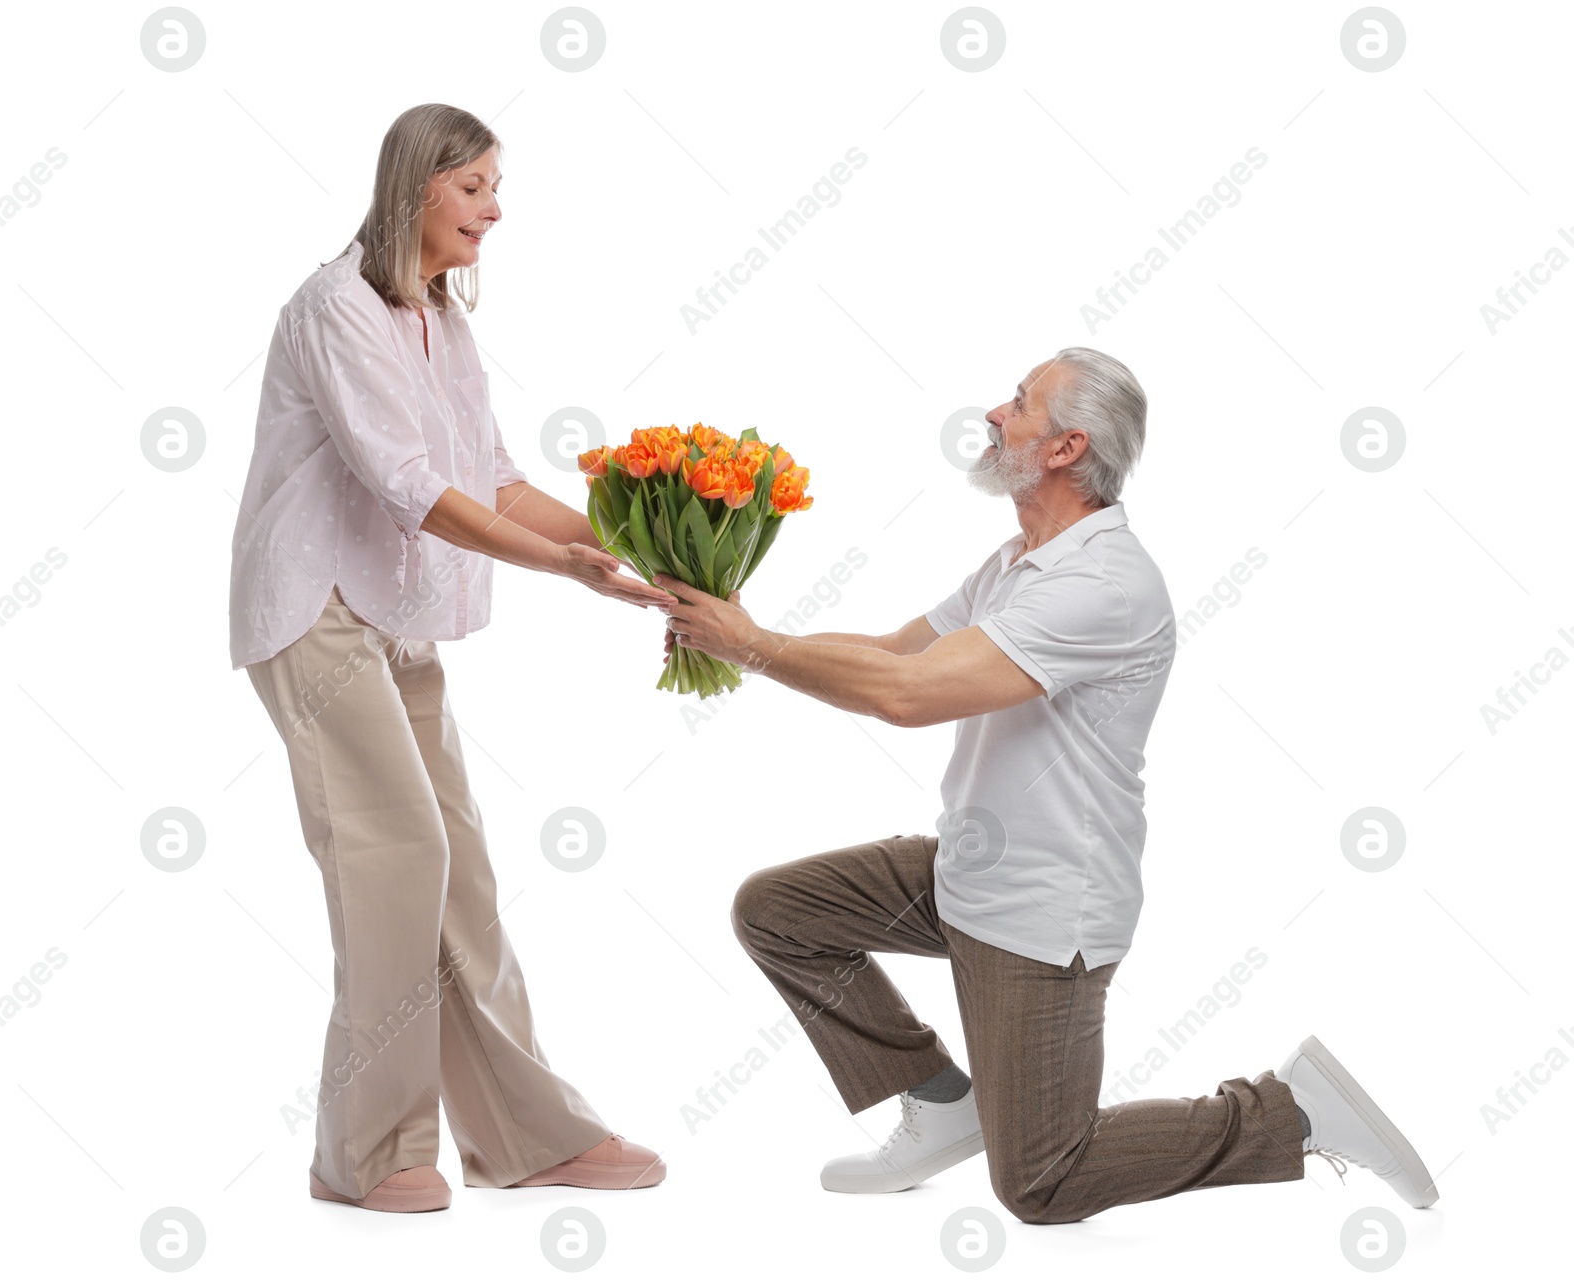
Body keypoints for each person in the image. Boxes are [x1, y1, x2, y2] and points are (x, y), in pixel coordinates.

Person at [657, 347, 1440, 1222]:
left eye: (1021, 403)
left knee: (1043, 1181)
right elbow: (893, 653)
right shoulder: (1017, 562)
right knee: (780, 911)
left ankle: (1289, 1114)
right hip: (970, 870)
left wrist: (752, 647)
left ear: (1068, 448)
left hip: (1043, 910)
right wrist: (742, 632)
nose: (996, 412)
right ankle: (941, 1101)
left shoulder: (1102, 583)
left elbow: (904, 697)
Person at [229, 103, 676, 1213]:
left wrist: (637, 543)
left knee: (457, 867)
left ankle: (528, 1133)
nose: (494, 207)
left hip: (394, 612)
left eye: (493, 185)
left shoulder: (441, 321)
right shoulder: (336, 307)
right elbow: (409, 486)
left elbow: (494, 480)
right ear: (417, 187)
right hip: (315, 606)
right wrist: (554, 569)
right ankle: (366, 1150)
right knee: (396, 847)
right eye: (474, 186)